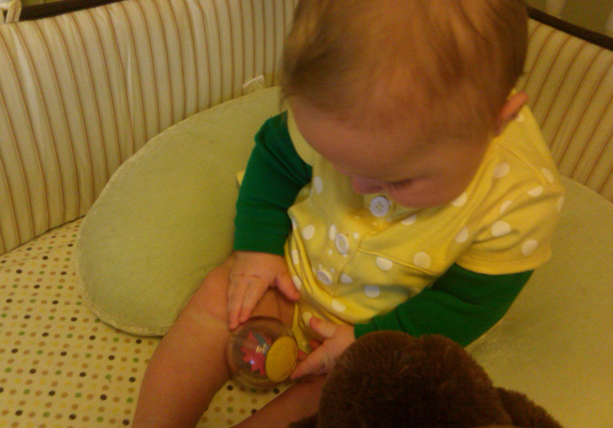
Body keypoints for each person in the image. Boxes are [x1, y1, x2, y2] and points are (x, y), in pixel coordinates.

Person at [132, 0, 565, 427]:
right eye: (335, 162)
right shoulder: (336, 110)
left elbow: (466, 305)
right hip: (291, 280)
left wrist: (365, 341)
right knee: (220, 297)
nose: (358, 187)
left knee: (354, 399)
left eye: (397, 181)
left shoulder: (520, 200)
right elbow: (275, 161)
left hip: (385, 332)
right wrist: (259, 249)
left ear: (498, 121)